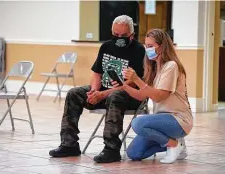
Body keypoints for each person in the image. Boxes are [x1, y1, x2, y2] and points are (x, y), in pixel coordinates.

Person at [49, 15, 146, 163]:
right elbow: (97, 73)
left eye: (124, 36)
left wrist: (102, 94)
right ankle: (69, 144)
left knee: (116, 96)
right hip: (102, 92)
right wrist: (94, 91)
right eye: (116, 35)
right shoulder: (106, 46)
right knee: (74, 93)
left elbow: (132, 83)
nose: (119, 38)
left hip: (128, 96)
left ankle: (111, 150)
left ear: (132, 35)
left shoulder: (139, 50)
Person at [112, 29, 193, 164]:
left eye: (150, 46)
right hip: (160, 122)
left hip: (178, 120)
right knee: (134, 153)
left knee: (137, 123)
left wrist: (137, 79)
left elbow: (159, 97)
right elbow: (141, 96)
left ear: (161, 47)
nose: (147, 49)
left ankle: (173, 144)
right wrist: (124, 86)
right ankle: (177, 143)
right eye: (146, 46)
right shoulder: (155, 69)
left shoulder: (171, 66)